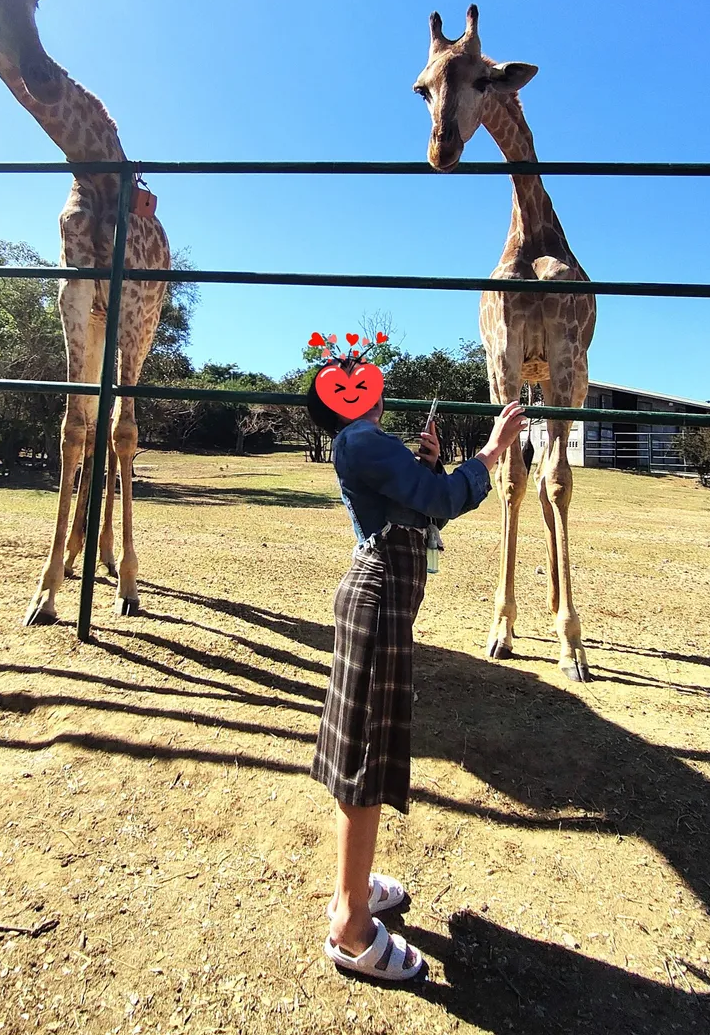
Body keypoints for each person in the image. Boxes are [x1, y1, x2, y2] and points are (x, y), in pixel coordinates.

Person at [305, 364, 527, 982]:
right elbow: (439, 502)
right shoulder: (361, 440)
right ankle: (351, 925)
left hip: (384, 606)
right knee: (366, 760)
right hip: (378, 605)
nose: (358, 384)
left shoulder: (369, 445)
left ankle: (354, 884)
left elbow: (423, 504)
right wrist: (491, 451)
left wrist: (429, 462)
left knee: (367, 753)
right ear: (337, 404)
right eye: (340, 383)